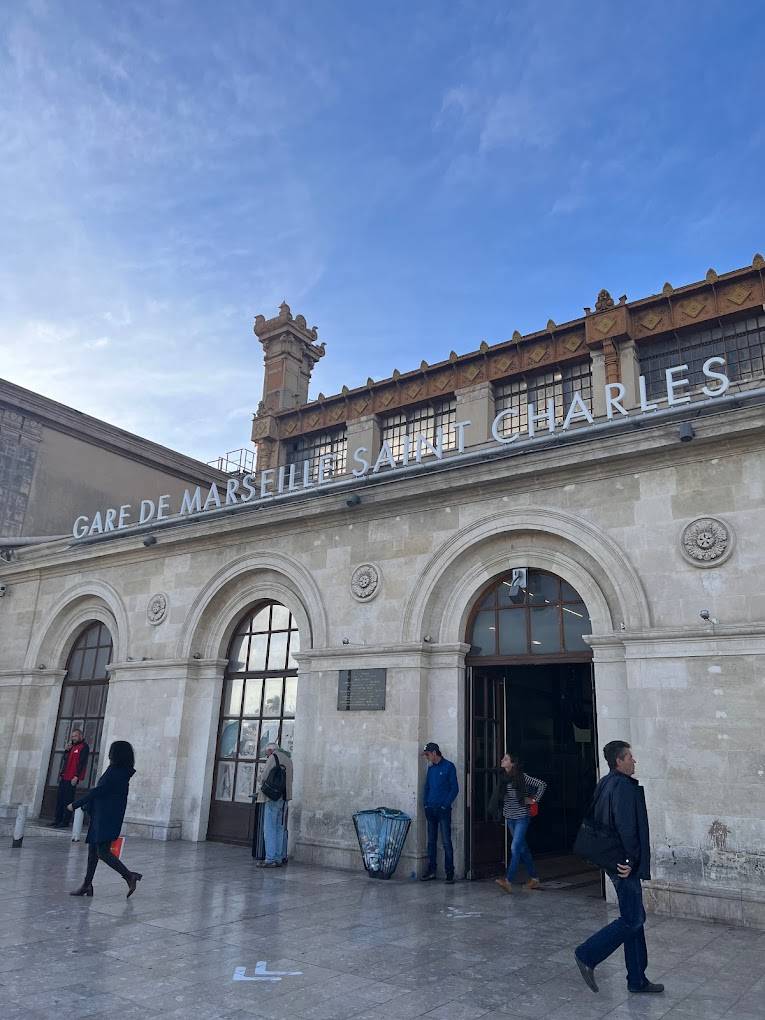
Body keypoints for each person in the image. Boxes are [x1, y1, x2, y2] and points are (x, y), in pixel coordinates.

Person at [574, 740, 664, 996]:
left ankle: (637, 978)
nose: (634, 761)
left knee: (634, 918)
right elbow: (626, 828)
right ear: (619, 761)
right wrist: (629, 862)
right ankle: (587, 954)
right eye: (630, 757)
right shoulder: (622, 787)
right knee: (633, 918)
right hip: (624, 864)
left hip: (616, 860)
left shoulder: (607, 782)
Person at [67, 740, 142, 899]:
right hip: (102, 814)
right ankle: (87, 885)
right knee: (93, 851)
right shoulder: (117, 770)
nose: (109, 753)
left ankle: (129, 876)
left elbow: (99, 790)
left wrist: (76, 804)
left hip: (107, 817)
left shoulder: (117, 772)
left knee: (102, 852)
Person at [489, 752, 546, 893]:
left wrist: (533, 800)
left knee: (515, 848)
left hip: (522, 817)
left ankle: (508, 880)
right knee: (522, 848)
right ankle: (534, 878)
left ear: (512, 763)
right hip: (510, 818)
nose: (502, 760)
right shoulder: (503, 778)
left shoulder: (522, 777)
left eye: (506, 759)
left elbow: (542, 785)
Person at [420, 741, 459, 884]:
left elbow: (454, 789)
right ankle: (431, 870)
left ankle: (450, 872)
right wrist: (425, 804)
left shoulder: (449, 767)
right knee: (431, 842)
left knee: (446, 841)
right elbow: (427, 787)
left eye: (428, 754)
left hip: (443, 811)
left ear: (435, 753)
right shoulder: (431, 769)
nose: (427, 757)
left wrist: (445, 805)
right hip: (430, 809)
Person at [255, 742, 293, 867]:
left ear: (271, 750)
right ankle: (278, 857)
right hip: (284, 797)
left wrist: (259, 778)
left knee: (269, 828)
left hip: (272, 797)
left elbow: (264, 777)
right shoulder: (288, 759)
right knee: (280, 827)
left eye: (267, 752)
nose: (267, 755)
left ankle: (270, 859)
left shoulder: (273, 757)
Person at [49, 728, 89, 828]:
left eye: (75, 736)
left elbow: (82, 763)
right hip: (64, 776)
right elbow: (65, 760)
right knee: (60, 799)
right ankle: (57, 819)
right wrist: (66, 751)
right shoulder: (71, 747)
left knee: (68, 799)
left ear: (80, 736)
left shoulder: (84, 747)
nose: (73, 738)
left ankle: (65, 821)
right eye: (72, 736)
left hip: (72, 778)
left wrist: (77, 776)